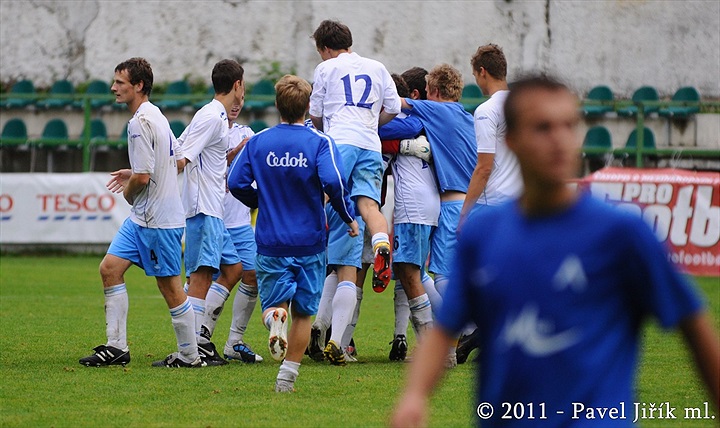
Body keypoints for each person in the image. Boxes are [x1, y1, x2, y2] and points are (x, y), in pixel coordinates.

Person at [390, 75, 720, 427]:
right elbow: (444, 331)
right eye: (543, 128)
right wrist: (414, 397)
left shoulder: (624, 233)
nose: (560, 140)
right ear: (512, 141)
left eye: (569, 125)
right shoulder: (483, 235)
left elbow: (694, 326)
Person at [227, 74, 359, 392]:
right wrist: (348, 217)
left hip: (271, 240)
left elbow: (234, 182)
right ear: (307, 106)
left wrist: (261, 200)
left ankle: (274, 318)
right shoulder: (319, 142)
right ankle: (287, 378)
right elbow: (334, 183)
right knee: (303, 312)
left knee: (275, 307)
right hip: (310, 241)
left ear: (278, 106)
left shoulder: (259, 142)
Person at [79, 57, 203, 368]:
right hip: (143, 220)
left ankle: (190, 355)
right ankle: (116, 346)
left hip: (157, 221)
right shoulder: (156, 115)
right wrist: (134, 173)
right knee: (109, 269)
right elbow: (169, 164)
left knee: (170, 287)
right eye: (115, 81)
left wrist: (132, 190)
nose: (113, 88)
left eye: (120, 83)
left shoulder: (139, 123)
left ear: (138, 86)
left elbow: (144, 179)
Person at [308, 19, 401, 365]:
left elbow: (315, 115)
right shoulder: (378, 68)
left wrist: (333, 124)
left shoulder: (327, 68)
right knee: (368, 204)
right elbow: (392, 108)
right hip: (370, 144)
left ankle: (319, 323)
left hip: (340, 144)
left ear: (325, 48)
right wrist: (370, 122)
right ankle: (381, 243)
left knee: (339, 237)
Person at [455, 44, 523, 364]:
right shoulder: (522, 105)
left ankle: (480, 333)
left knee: (473, 273)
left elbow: (484, 166)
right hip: (523, 202)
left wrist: (465, 212)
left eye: (476, 75)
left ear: (483, 72)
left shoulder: (487, 110)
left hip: (493, 202)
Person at [176, 59, 245, 366]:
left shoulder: (212, 114)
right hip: (204, 209)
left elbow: (177, 147)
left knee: (233, 270)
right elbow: (182, 159)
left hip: (214, 211)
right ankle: (188, 352)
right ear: (237, 85)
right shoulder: (211, 116)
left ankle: (200, 341)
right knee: (202, 276)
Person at [380, 69, 442, 361]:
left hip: (413, 207)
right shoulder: (423, 122)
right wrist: (407, 145)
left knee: (412, 273)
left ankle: (449, 336)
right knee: (410, 273)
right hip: (427, 205)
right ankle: (408, 340)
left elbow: (375, 130)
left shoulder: (406, 120)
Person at [219, 103, 263, 363]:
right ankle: (193, 341)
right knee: (200, 279)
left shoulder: (249, 134)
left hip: (240, 222)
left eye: (242, 97)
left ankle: (234, 341)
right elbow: (184, 161)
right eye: (233, 96)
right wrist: (233, 154)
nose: (237, 104)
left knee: (253, 275)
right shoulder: (203, 126)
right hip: (210, 217)